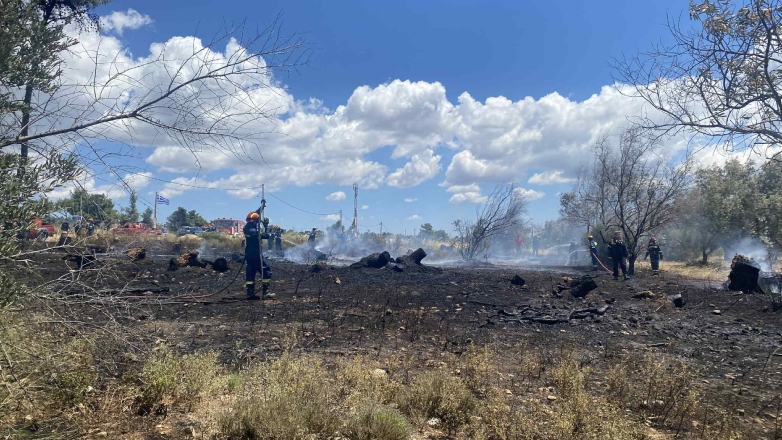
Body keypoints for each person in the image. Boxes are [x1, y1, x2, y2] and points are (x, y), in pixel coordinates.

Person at [244, 211, 274, 300]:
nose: (257, 223)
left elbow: (255, 213)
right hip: (256, 255)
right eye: (257, 221)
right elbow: (266, 236)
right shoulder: (253, 231)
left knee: (250, 272)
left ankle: (250, 294)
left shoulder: (247, 227)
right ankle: (266, 293)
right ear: (254, 221)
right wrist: (266, 226)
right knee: (266, 270)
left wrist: (262, 206)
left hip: (249, 255)